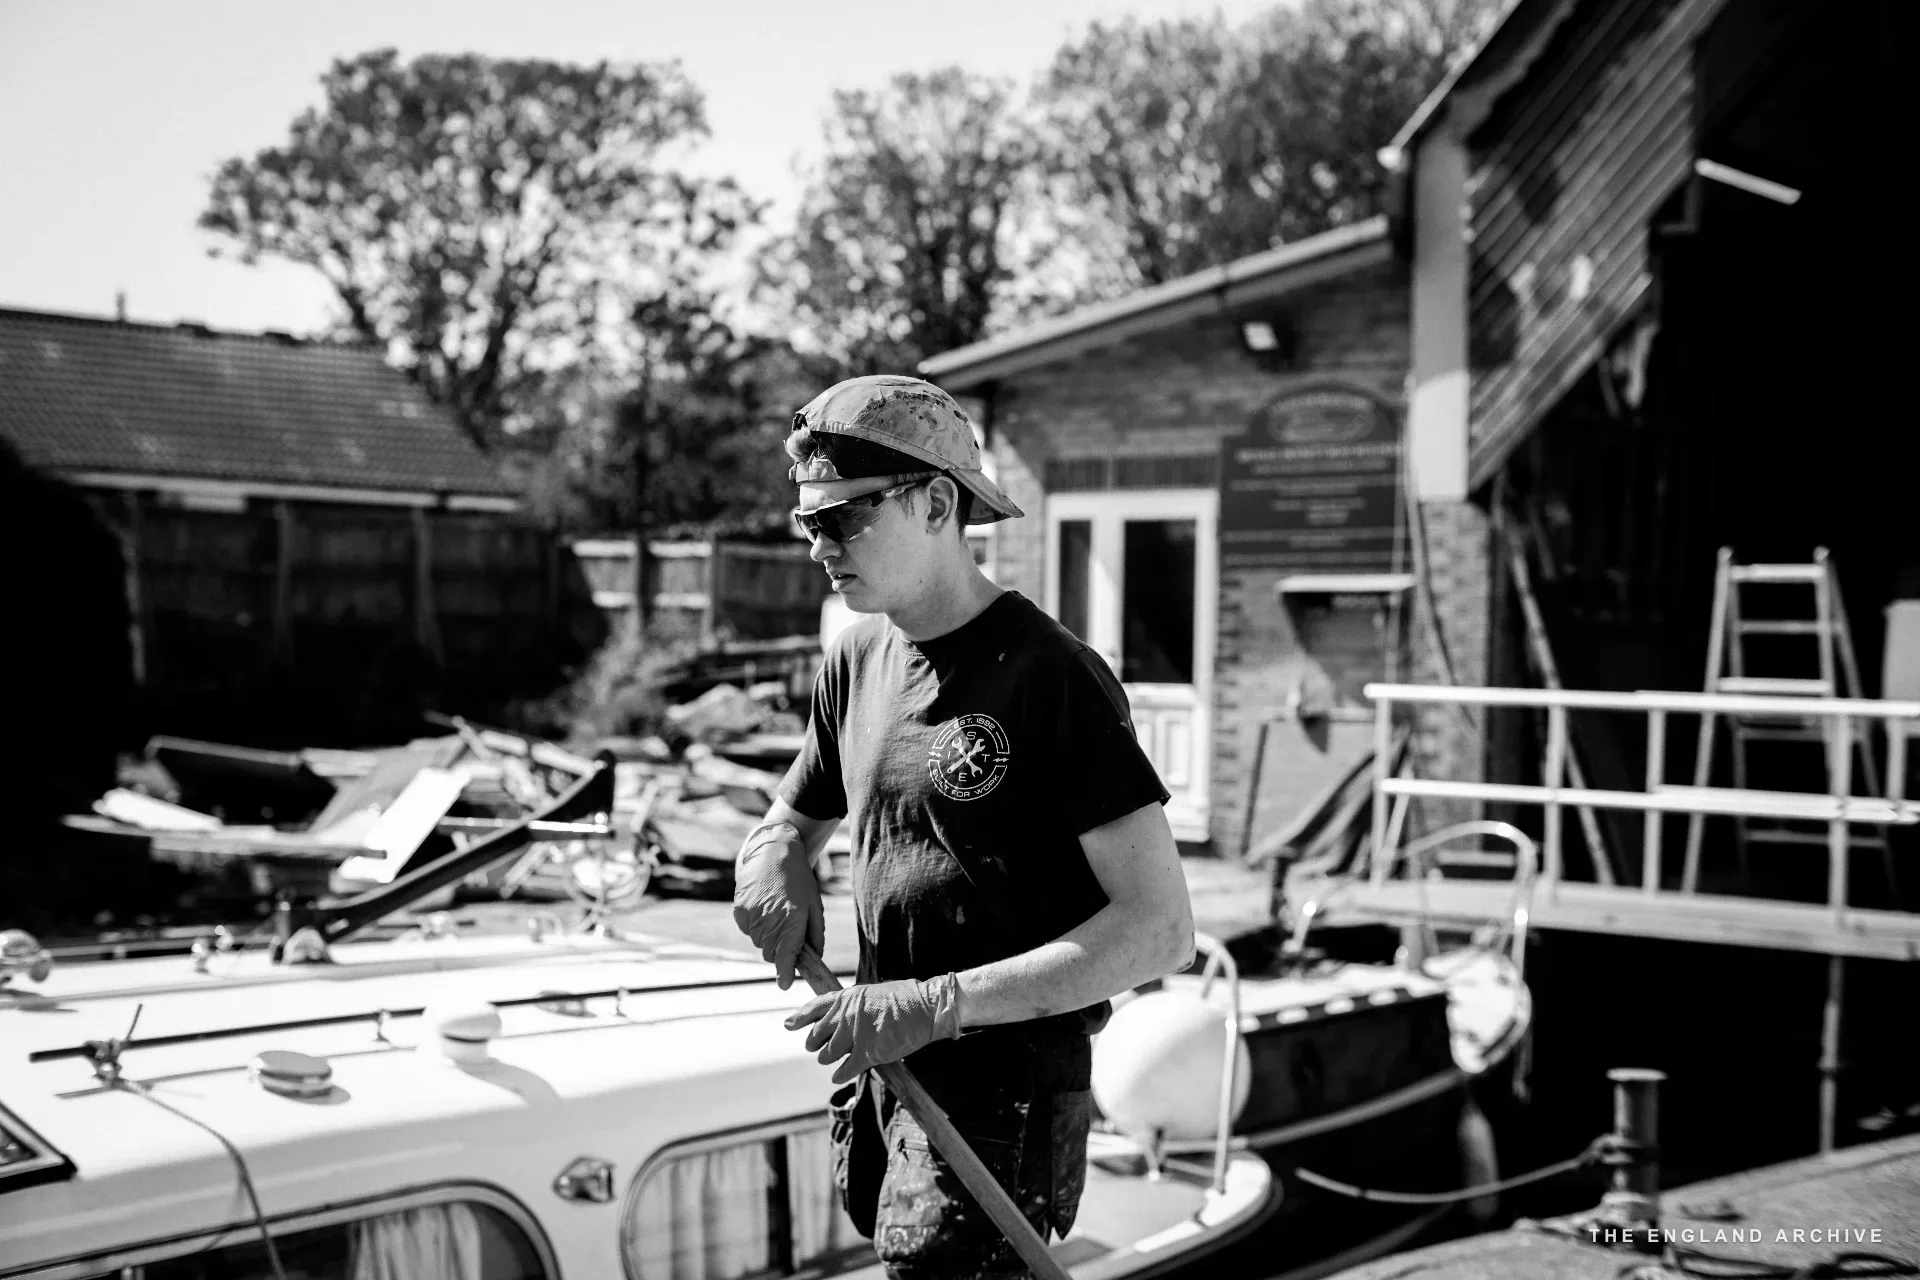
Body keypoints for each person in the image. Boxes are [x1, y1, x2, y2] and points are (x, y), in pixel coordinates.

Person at [732, 374, 1196, 1278]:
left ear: (938, 503)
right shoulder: (858, 657)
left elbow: (1159, 932)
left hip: (1002, 1099)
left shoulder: (1052, 678)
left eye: (844, 520)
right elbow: (789, 820)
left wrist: (938, 1004)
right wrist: (773, 859)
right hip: (881, 1073)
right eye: (808, 523)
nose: (819, 547)